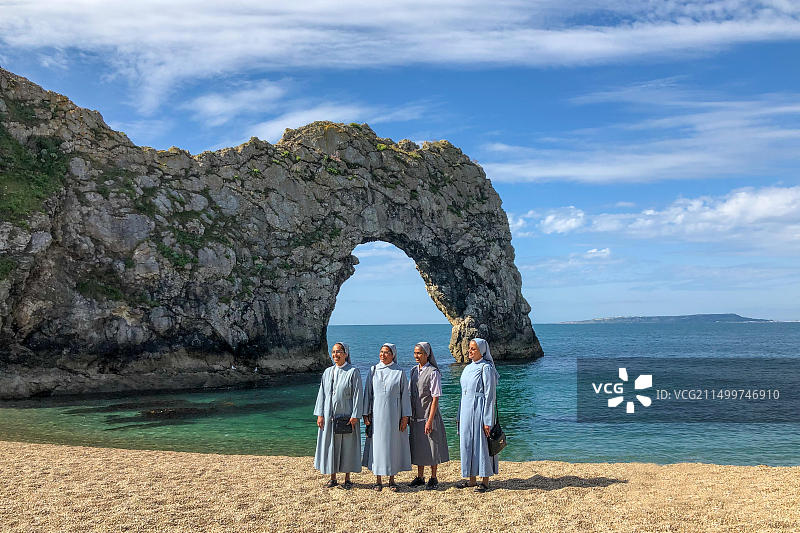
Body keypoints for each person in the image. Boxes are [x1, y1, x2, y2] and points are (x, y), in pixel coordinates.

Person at [362, 343, 412, 491]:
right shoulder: (373, 370)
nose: (382, 355)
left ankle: (391, 479)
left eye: (386, 352)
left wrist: (405, 417)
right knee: (377, 446)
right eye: (381, 352)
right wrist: (365, 414)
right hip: (377, 415)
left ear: (393, 355)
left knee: (392, 445)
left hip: (394, 414)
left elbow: (405, 396)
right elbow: (368, 394)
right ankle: (378, 479)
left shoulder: (399, 372)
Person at [313, 342, 363, 489]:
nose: (336, 354)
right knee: (331, 445)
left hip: (347, 415)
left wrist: (355, 415)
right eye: (333, 352)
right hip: (329, 415)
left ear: (346, 354)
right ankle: (333, 477)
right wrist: (320, 414)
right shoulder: (327, 372)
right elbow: (322, 394)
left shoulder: (353, 371)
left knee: (347, 446)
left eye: (339, 352)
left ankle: (347, 478)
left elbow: (358, 395)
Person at [457, 338, 499, 493]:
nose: (470, 351)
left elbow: (490, 395)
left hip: (479, 408)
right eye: (469, 348)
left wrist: (488, 420)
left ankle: (485, 480)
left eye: (473, 349)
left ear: (482, 351)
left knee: (481, 442)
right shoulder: (467, 368)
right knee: (467, 442)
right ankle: (471, 479)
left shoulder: (486, 368)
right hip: (466, 409)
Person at [407, 341, 449, 490]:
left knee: (432, 446)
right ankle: (420, 476)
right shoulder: (413, 371)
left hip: (429, 415)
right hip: (415, 415)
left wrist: (430, 420)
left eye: (419, 353)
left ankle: (433, 477)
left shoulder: (433, 372)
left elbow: (435, 397)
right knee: (418, 446)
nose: (416, 356)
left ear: (427, 354)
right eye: (415, 353)